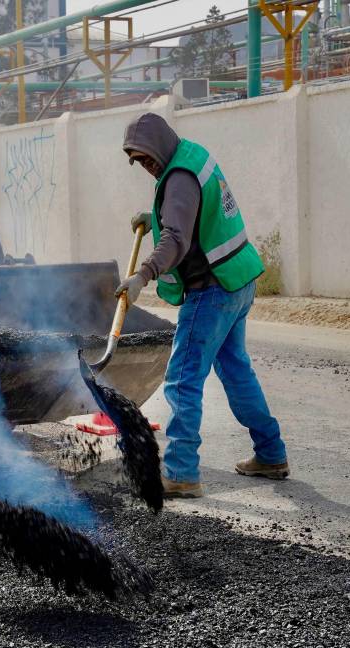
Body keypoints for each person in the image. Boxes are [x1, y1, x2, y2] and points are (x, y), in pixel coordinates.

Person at [116, 112, 288, 499]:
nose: (146, 167)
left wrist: (143, 276)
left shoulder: (178, 179)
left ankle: (180, 473)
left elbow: (177, 237)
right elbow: (193, 217)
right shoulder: (190, 158)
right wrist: (154, 218)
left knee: (182, 379)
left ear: (159, 146)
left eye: (146, 158)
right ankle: (271, 454)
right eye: (139, 162)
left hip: (211, 289)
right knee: (236, 371)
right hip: (238, 280)